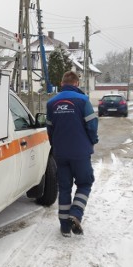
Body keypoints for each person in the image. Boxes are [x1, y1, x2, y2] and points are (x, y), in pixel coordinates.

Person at [46, 71, 99, 237]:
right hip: (80, 153)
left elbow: (50, 129)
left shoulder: (51, 103)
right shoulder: (83, 101)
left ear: (62, 84)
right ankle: (75, 214)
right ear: (76, 84)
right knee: (85, 183)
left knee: (64, 188)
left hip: (60, 153)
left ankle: (64, 227)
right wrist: (93, 140)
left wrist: (55, 145)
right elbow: (92, 125)